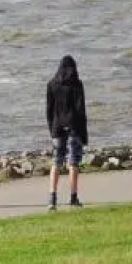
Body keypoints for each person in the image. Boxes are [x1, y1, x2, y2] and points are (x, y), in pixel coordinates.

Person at [45, 54, 88, 210]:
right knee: (73, 163)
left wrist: (52, 130)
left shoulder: (52, 84)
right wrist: (84, 134)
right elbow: (81, 111)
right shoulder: (77, 84)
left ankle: (52, 198)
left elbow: (49, 111)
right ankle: (73, 196)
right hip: (74, 127)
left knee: (56, 162)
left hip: (57, 127)